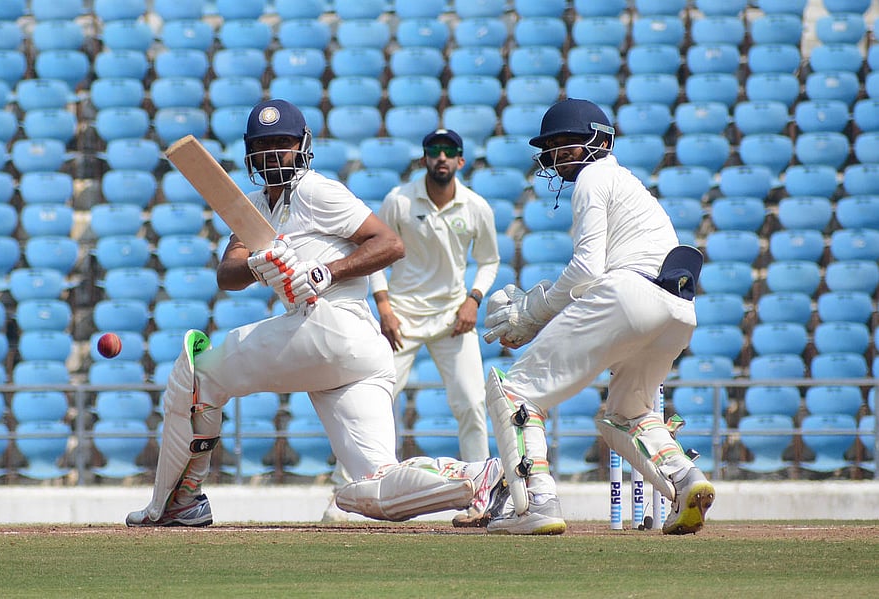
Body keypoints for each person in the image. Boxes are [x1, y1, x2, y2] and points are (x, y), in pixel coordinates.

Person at [125, 99, 502, 527]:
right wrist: (252, 265)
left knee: (196, 374)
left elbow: (389, 244)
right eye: (264, 145)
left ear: (302, 146)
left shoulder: (315, 190)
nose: (273, 154)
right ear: (249, 152)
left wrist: (325, 272)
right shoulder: (252, 208)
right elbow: (226, 275)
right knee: (372, 488)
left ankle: (179, 502)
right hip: (357, 355)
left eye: (282, 143)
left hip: (333, 324)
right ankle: (481, 476)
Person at [482, 98, 714, 535]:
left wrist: (532, 313)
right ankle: (686, 480)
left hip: (630, 294)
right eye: (553, 145)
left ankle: (536, 502)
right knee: (625, 413)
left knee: (515, 394)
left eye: (569, 142)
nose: (559, 153)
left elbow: (588, 270)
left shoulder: (593, 176)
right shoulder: (628, 184)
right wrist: (545, 310)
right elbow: (594, 279)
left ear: (600, 140)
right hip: (678, 308)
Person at [323, 129, 502, 525]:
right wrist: (384, 306)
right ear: (424, 159)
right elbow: (373, 252)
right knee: (371, 404)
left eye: (449, 152)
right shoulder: (400, 200)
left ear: (461, 161)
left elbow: (489, 260)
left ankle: (481, 497)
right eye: (434, 152)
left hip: (454, 320)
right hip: (401, 319)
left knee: (472, 404)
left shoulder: (476, 207)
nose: (441, 158)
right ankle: (344, 498)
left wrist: (473, 300)